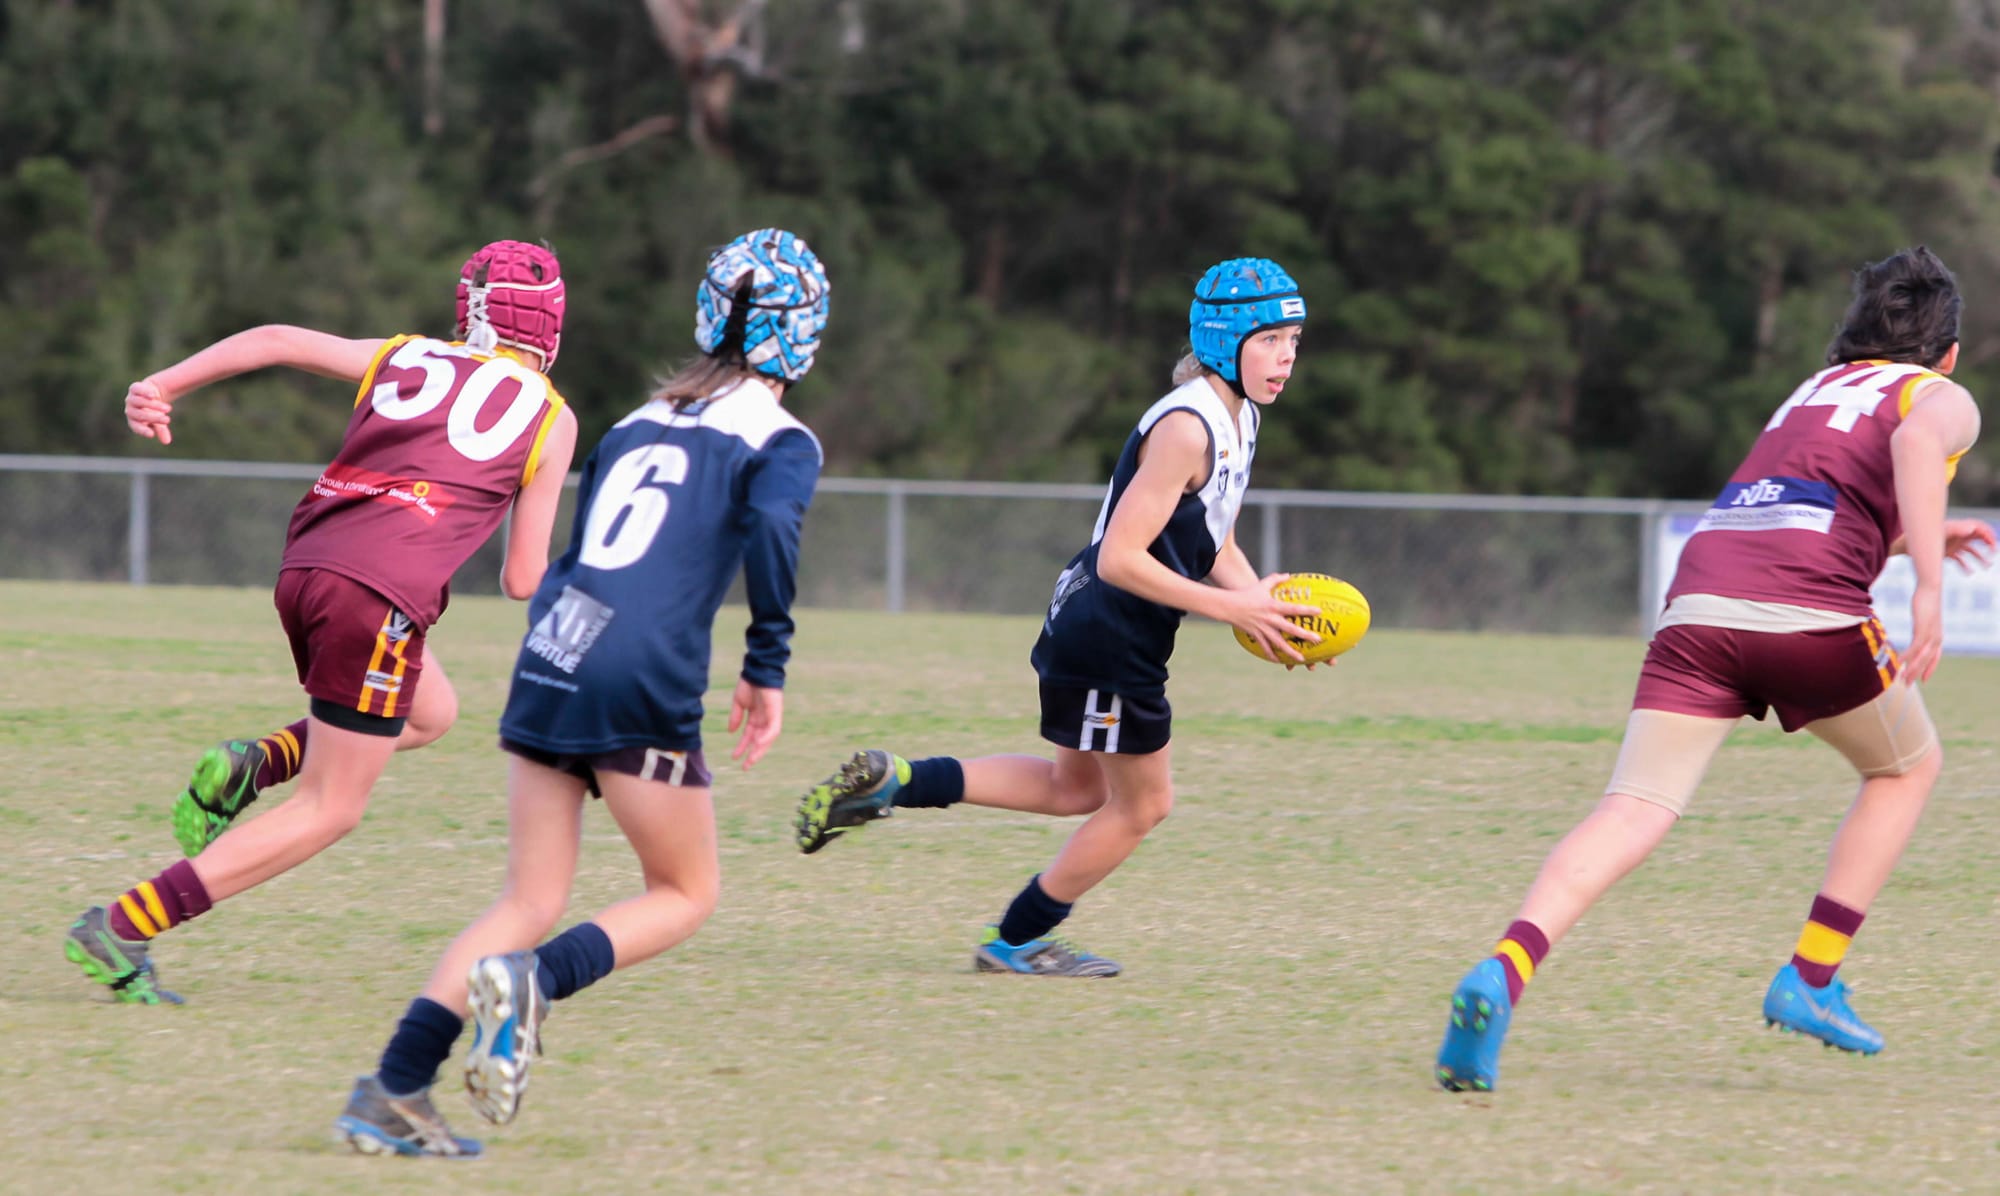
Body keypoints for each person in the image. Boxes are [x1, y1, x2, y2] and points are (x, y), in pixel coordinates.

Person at [1435, 245, 1994, 1092]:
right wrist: (1925, 587)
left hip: (1699, 602)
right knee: (1907, 767)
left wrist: (1915, 537)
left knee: (1632, 807)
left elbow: (1810, 505)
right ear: (1946, 354)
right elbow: (1918, 442)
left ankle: (1503, 970)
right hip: (1807, 614)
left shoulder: (1812, 391)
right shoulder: (1938, 396)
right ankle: (1810, 978)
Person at [333, 228, 830, 1158]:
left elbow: (575, 555)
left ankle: (391, 1090)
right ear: (803, 335)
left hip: (552, 653)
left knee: (526, 896)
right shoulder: (781, 439)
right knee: (684, 891)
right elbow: (771, 528)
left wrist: (561, 651)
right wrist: (767, 664)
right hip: (637, 670)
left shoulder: (635, 422)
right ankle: (537, 982)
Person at [66, 241, 580, 1005]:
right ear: (550, 323)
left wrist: (162, 384)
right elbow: (523, 580)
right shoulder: (551, 417)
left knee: (430, 711)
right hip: (376, 593)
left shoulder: (408, 355)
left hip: (307, 563)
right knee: (331, 807)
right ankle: (123, 925)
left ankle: (255, 764)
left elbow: (277, 338)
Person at [791, 257, 1323, 977]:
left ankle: (897, 781)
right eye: (1270, 339)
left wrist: (1258, 600)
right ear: (1225, 342)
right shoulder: (1188, 427)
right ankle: (1014, 941)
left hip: (1101, 622)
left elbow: (1213, 536)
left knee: (1073, 790)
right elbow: (1121, 559)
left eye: (1294, 340)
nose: (1286, 356)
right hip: (1112, 630)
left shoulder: (1240, 418)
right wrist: (1235, 608)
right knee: (1142, 806)